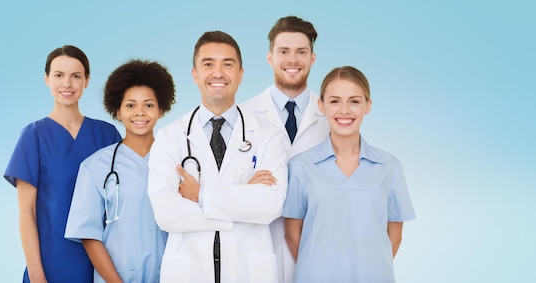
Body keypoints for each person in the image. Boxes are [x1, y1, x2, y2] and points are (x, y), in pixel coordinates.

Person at [147, 31, 289, 283]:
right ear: (194, 74)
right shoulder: (170, 137)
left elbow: (270, 205)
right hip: (189, 271)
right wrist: (243, 200)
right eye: (208, 64)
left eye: (228, 64)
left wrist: (201, 195)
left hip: (249, 270)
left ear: (241, 74)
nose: (218, 73)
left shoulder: (268, 134)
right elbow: (166, 213)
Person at [283, 66, 416, 283]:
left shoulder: (389, 167)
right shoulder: (300, 166)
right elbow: (292, 234)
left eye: (354, 101)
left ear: (368, 106)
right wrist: (318, 268)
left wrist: (369, 267)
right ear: (321, 105)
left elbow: (395, 234)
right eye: (335, 101)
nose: (344, 110)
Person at [4, 45, 121, 283]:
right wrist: (37, 274)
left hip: (100, 261)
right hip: (50, 263)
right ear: (47, 79)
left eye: (75, 76)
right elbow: (27, 212)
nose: (67, 84)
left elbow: (122, 202)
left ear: (86, 81)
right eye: (59, 75)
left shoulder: (106, 134)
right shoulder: (33, 136)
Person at [65, 59, 176, 283]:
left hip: (173, 275)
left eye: (149, 104)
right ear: (117, 111)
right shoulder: (95, 166)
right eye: (130, 105)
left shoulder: (176, 160)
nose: (140, 113)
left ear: (161, 109)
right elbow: (89, 236)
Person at [240, 15, 329, 283]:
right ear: (270, 58)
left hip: (315, 242)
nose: (293, 60)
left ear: (312, 58)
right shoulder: (243, 115)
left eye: (301, 52)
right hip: (256, 244)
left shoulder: (332, 117)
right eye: (284, 52)